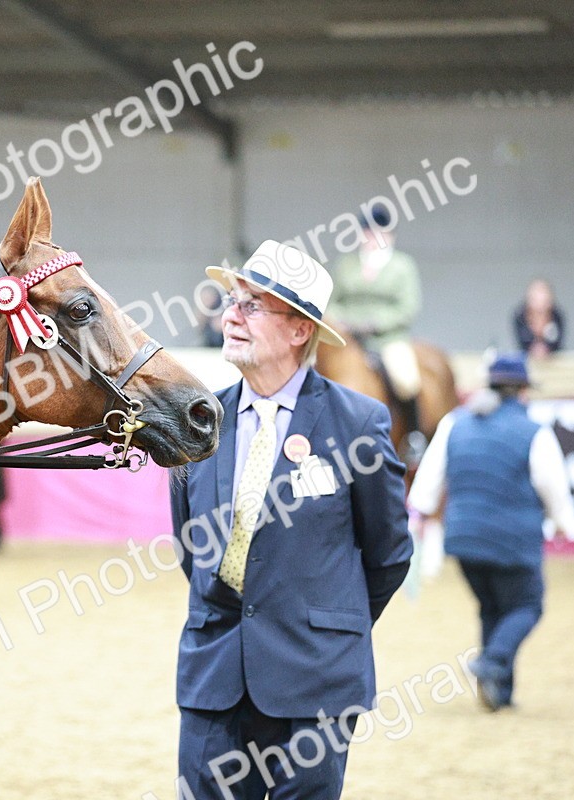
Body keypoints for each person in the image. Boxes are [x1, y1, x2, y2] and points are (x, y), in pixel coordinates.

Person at [170, 240, 413, 799]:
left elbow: (389, 554)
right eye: (232, 300)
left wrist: (325, 621)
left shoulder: (358, 424)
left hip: (316, 681)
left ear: (299, 329)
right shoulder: (200, 420)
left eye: (252, 305)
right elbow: (193, 548)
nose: (230, 315)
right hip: (214, 676)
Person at [406, 353, 574, 712]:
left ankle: (500, 691)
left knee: (491, 607)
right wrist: (564, 524)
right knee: (527, 605)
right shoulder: (534, 432)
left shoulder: (456, 423)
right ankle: (492, 661)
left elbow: (430, 478)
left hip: (463, 539)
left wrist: (418, 511)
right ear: (522, 391)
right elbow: (553, 487)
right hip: (513, 540)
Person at [329, 205, 425, 458]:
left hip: (388, 339)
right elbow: (332, 302)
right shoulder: (347, 264)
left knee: (406, 378)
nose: (372, 238)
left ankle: (413, 437)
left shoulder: (402, 266)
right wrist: (343, 320)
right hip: (348, 338)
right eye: (368, 233)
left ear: (390, 235)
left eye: (379, 233)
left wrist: (374, 323)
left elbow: (408, 307)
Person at [513, 278, 564, 357]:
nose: (540, 303)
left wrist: (546, 349)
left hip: (553, 362)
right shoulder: (520, 316)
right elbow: (522, 342)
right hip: (528, 361)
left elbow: (557, 342)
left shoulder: (557, 316)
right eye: (536, 297)